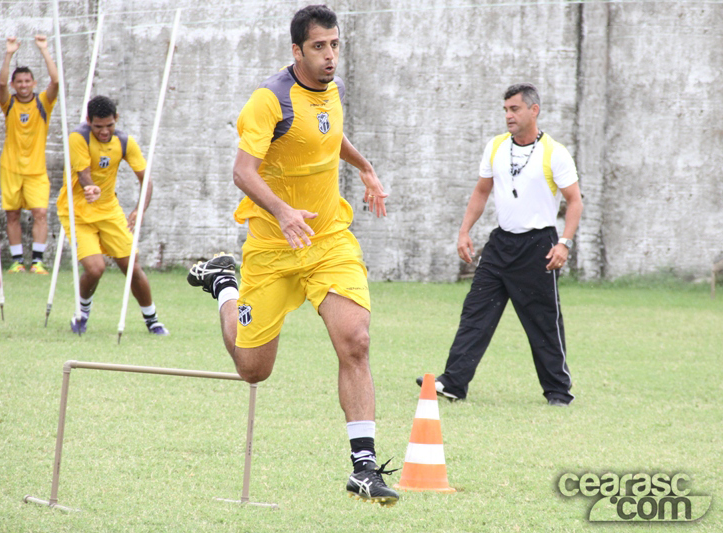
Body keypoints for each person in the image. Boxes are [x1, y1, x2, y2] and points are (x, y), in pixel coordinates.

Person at [187, 5, 398, 506]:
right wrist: (282, 212)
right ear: (297, 50)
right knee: (253, 369)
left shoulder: (334, 90)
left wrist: (365, 167)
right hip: (273, 248)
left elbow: (326, 135)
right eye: (319, 47)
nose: (330, 56)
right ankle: (224, 284)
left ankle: (363, 466)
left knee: (356, 340)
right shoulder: (269, 99)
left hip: (328, 240)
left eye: (335, 44)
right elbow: (243, 170)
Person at [419, 83, 583, 407]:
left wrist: (564, 243)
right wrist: (464, 231)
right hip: (500, 243)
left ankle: (558, 392)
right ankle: (453, 382)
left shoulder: (555, 152)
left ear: (533, 110)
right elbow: (481, 192)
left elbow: (574, 201)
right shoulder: (495, 146)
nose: (508, 115)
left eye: (515, 109)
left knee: (543, 321)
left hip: (539, 247)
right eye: (506, 109)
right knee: (475, 311)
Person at [56, 96, 168, 336]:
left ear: (116, 119)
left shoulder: (125, 142)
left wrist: (140, 209)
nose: (104, 131)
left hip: (109, 210)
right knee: (95, 268)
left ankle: (153, 320)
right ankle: (82, 314)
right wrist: (89, 187)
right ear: (88, 121)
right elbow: (83, 172)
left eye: (109, 125)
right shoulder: (78, 137)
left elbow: (146, 180)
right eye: (98, 127)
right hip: (77, 212)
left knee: (131, 266)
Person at [0, 35, 58, 274]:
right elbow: (1, 86)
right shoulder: (8, 103)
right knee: (12, 215)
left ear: (33, 83)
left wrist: (44, 49)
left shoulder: (43, 103)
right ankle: (17, 261)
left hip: (36, 171)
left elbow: (55, 80)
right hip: (10, 168)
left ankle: (38, 262)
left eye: (27, 81)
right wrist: (9, 53)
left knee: (40, 213)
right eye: (19, 81)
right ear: (15, 85)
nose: (23, 85)